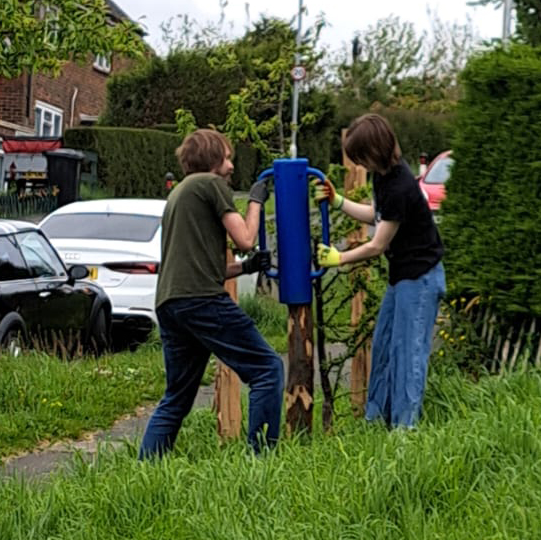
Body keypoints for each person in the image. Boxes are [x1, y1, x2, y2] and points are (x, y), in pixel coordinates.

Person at [138, 129, 284, 459]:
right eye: (227, 157)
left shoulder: (177, 195)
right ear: (212, 160)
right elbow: (246, 239)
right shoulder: (210, 184)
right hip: (202, 300)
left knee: (176, 396)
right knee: (267, 370)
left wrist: (245, 270)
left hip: (170, 303)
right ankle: (262, 461)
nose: (231, 166)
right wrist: (257, 202)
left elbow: (201, 266)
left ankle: (145, 468)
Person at [314, 114, 445, 428]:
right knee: (385, 344)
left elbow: (377, 244)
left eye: (361, 156)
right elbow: (378, 215)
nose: (359, 163)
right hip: (402, 276)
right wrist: (338, 200)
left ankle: (405, 429)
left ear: (376, 150)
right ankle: (377, 420)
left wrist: (339, 258)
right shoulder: (384, 177)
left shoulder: (400, 184)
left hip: (421, 279)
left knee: (409, 354)